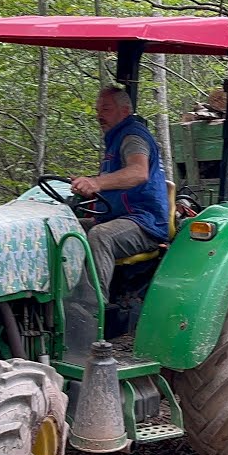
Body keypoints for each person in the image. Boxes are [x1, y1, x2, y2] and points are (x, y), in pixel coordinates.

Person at [71, 86, 169, 300]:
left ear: (124, 111)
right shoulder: (115, 138)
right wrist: (86, 187)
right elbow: (115, 183)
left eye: (105, 109)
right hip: (118, 217)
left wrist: (96, 183)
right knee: (63, 227)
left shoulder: (132, 136)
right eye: (98, 110)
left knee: (101, 235)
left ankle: (91, 311)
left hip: (144, 222)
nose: (99, 115)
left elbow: (138, 172)